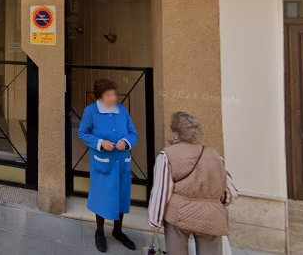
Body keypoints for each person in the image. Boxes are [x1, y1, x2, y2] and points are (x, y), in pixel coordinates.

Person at [148, 112, 238, 255]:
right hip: (211, 217)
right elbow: (231, 192)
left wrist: (155, 221)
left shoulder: (167, 155)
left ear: (176, 133)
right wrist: (213, 202)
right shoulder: (215, 155)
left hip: (178, 216)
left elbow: (161, 192)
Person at [79, 78, 139, 252]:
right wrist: (100, 143)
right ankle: (99, 232)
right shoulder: (91, 112)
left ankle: (118, 231)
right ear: (100, 97)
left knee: (120, 195)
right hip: (103, 163)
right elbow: (83, 133)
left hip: (121, 162)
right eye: (109, 94)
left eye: (114, 93)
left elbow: (133, 133)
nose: (113, 97)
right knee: (102, 197)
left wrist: (126, 142)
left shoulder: (122, 111)